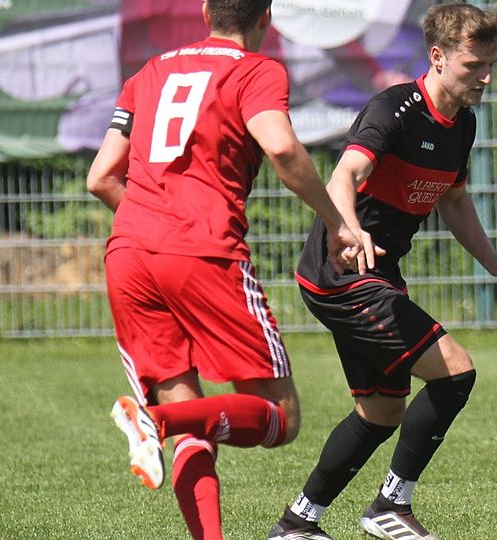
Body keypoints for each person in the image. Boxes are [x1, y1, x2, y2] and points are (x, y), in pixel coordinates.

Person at [268, 3, 497, 540]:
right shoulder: (394, 110)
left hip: (376, 275)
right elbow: (344, 175)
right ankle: (390, 506)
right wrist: (348, 230)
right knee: (455, 371)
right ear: (437, 57)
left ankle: (298, 523)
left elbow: (454, 200)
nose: (485, 77)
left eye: (491, 64)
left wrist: (491, 259)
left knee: (381, 411)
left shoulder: (462, 124)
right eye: (473, 65)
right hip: (342, 275)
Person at [86, 1, 361, 538]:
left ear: (206, 10)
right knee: (280, 417)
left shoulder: (150, 71)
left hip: (129, 254)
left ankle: (164, 433)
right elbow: (281, 147)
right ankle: (154, 422)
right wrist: (336, 223)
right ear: (266, 18)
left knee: (194, 421)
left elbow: (100, 178)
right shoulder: (256, 70)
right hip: (203, 252)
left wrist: (154, 226)